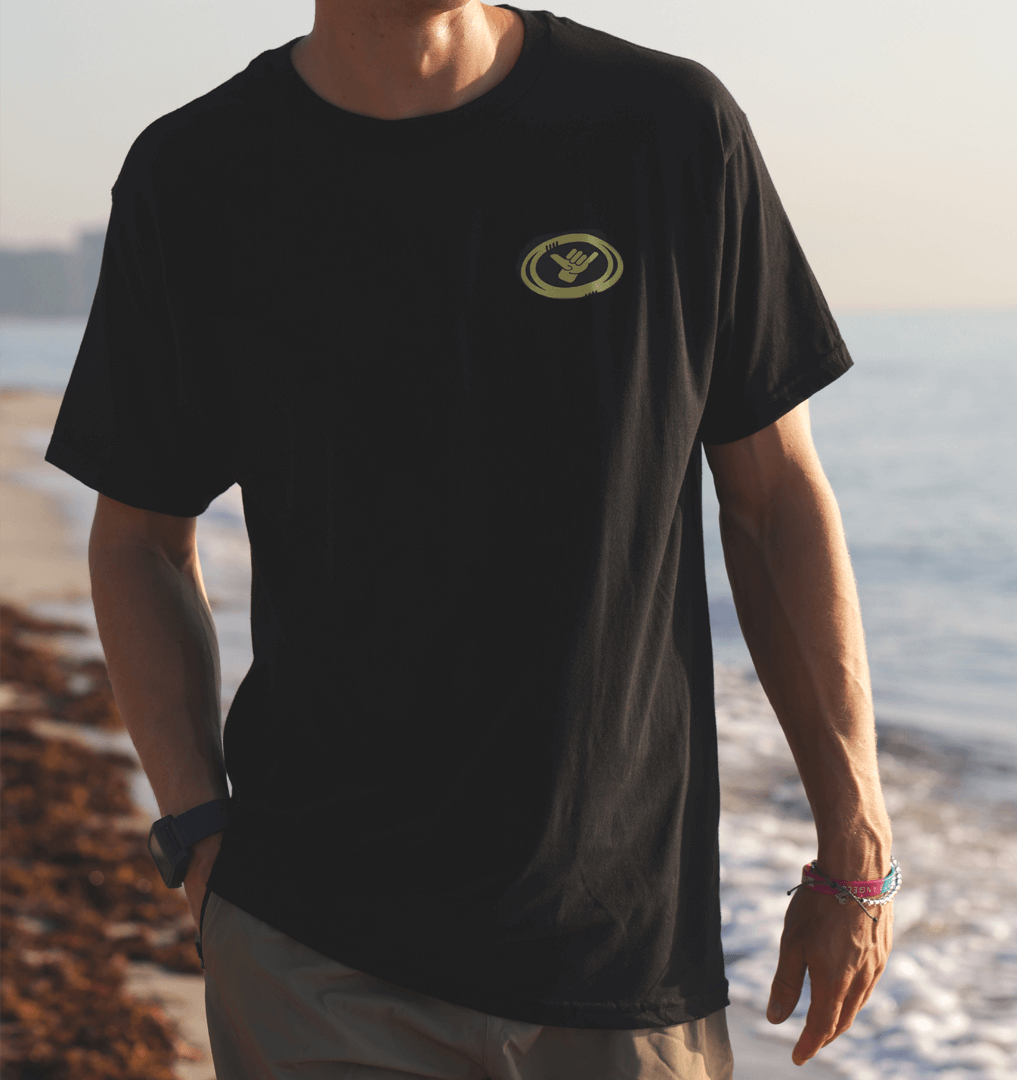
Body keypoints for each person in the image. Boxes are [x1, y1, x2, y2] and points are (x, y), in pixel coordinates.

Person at [46, 1, 895, 1076]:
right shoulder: (201, 174)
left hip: (623, 957)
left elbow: (775, 500)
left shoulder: (665, 127)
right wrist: (196, 829)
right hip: (317, 948)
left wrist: (856, 844)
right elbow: (140, 539)